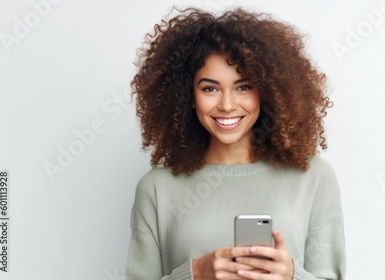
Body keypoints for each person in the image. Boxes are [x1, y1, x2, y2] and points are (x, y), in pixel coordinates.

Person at [126, 7, 346, 280]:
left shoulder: (313, 178)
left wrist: (292, 275)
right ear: (188, 96)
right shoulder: (156, 189)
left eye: (243, 87)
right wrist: (195, 274)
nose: (227, 105)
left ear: (266, 92)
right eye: (210, 88)